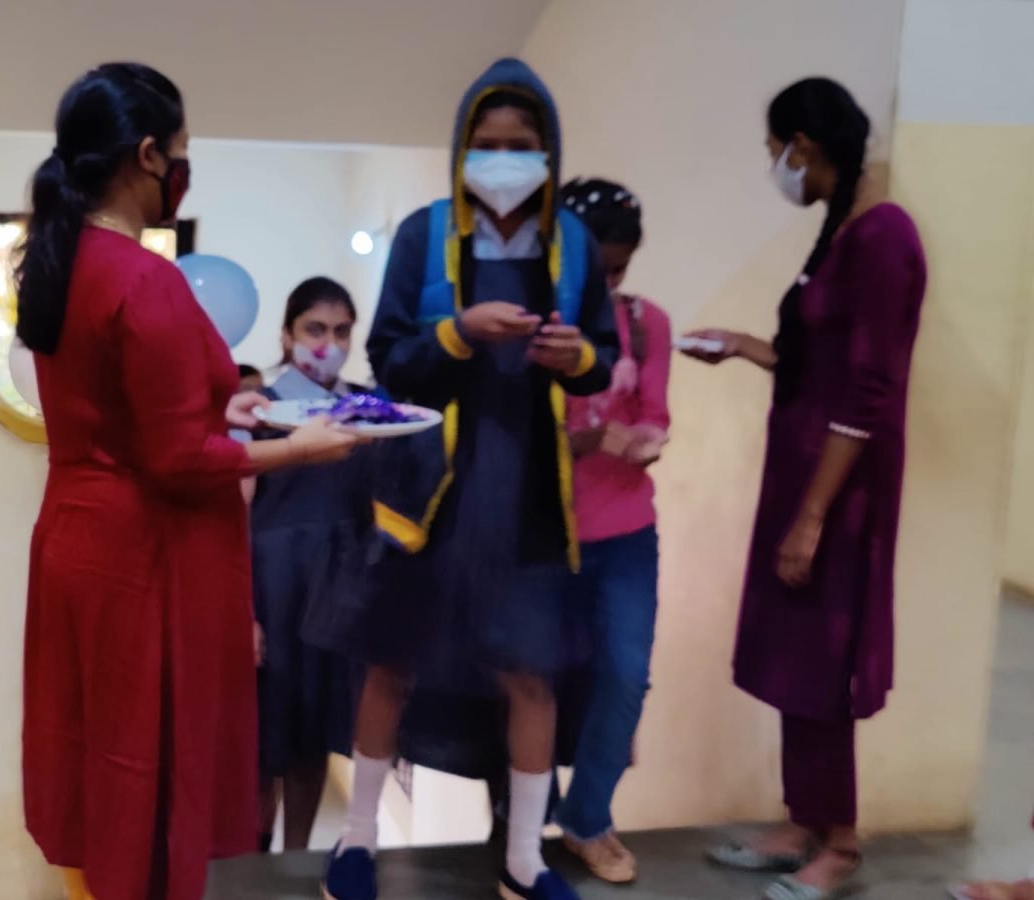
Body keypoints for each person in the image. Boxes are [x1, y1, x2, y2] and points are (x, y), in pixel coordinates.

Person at [17, 63, 360, 900]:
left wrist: (225, 410)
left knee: (100, 753)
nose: (182, 168)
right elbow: (175, 461)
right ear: (147, 155)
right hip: (140, 557)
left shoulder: (62, 259)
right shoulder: (143, 277)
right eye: (180, 150)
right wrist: (301, 447)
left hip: (75, 535)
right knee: (147, 763)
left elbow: (118, 413)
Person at [315, 58, 618, 900]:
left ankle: (525, 859)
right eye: (487, 145)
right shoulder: (424, 235)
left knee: (531, 677)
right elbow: (390, 360)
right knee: (390, 666)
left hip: (528, 499)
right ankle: (357, 842)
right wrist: (459, 332)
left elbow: (602, 358)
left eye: (522, 146)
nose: (504, 161)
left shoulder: (573, 244)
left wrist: (577, 356)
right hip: (431, 497)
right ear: (461, 149)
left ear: (549, 152)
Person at [683, 78, 926, 900]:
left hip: (841, 491)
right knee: (792, 650)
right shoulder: (841, 230)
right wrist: (743, 345)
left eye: (775, 152)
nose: (775, 168)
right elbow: (815, 361)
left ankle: (842, 843)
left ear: (804, 146)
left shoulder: (883, 238)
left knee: (826, 658)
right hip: (802, 469)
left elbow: (868, 393)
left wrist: (814, 516)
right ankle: (803, 819)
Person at [552, 178, 670, 884]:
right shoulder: (540, 328)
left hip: (626, 532)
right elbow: (525, 442)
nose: (610, 285)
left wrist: (648, 438)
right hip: (543, 530)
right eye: (598, 270)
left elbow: (654, 412)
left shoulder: (647, 323)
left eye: (621, 270)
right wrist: (596, 439)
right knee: (528, 680)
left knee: (626, 676)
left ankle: (587, 817)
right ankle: (517, 816)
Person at [252, 277, 371, 852]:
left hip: (338, 588)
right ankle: (253, 864)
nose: (329, 344)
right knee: (262, 738)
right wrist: (243, 611)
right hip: (272, 586)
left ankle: (296, 861)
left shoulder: (368, 409)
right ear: (286, 334)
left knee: (314, 735)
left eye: (342, 331)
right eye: (315, 329)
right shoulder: (259, 406)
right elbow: (232, 510)